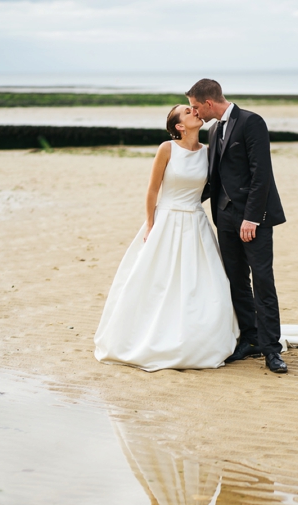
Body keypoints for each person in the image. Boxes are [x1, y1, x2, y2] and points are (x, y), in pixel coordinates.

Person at [94, 104, 238, 371]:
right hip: (167, 221)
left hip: (195, 223)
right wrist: (150, 224)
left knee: (203, 283)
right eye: (187, 111)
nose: (194, 111)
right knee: (158, 281)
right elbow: (152, 190)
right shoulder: (167, 148)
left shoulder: (208, 153)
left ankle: (200, 336)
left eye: (194, 108)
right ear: (179, 127)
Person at [185, 79, 288, 374]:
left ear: (207, 103)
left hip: (252, 219)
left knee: (263, 281)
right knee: (236, 281)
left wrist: (252, 218)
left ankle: (272, 349)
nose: (194, 112)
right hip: (224, 217)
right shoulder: (215, 129)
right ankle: (251, 338)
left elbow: (261, 174)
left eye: (195, 106)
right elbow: (215, 179)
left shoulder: (251, 122)